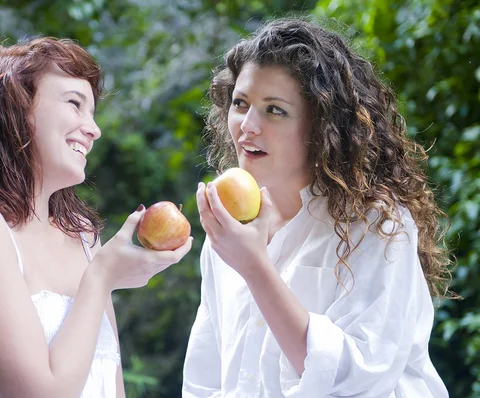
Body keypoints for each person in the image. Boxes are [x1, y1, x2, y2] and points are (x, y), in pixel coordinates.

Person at [182, 17, 452, 397]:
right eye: (240, 104)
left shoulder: (377, 224)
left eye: (275, 109)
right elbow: (206, 376)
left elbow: (357, 379)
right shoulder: (228, 231)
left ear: (322, 124)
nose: (247, 126)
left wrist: (254, 266)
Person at [0, 37, 192, 398]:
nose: (93, 129)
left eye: (92, 113)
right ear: (13, 110)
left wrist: (102, 273)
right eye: (74, 104)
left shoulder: (83, 239)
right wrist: (101, 278)